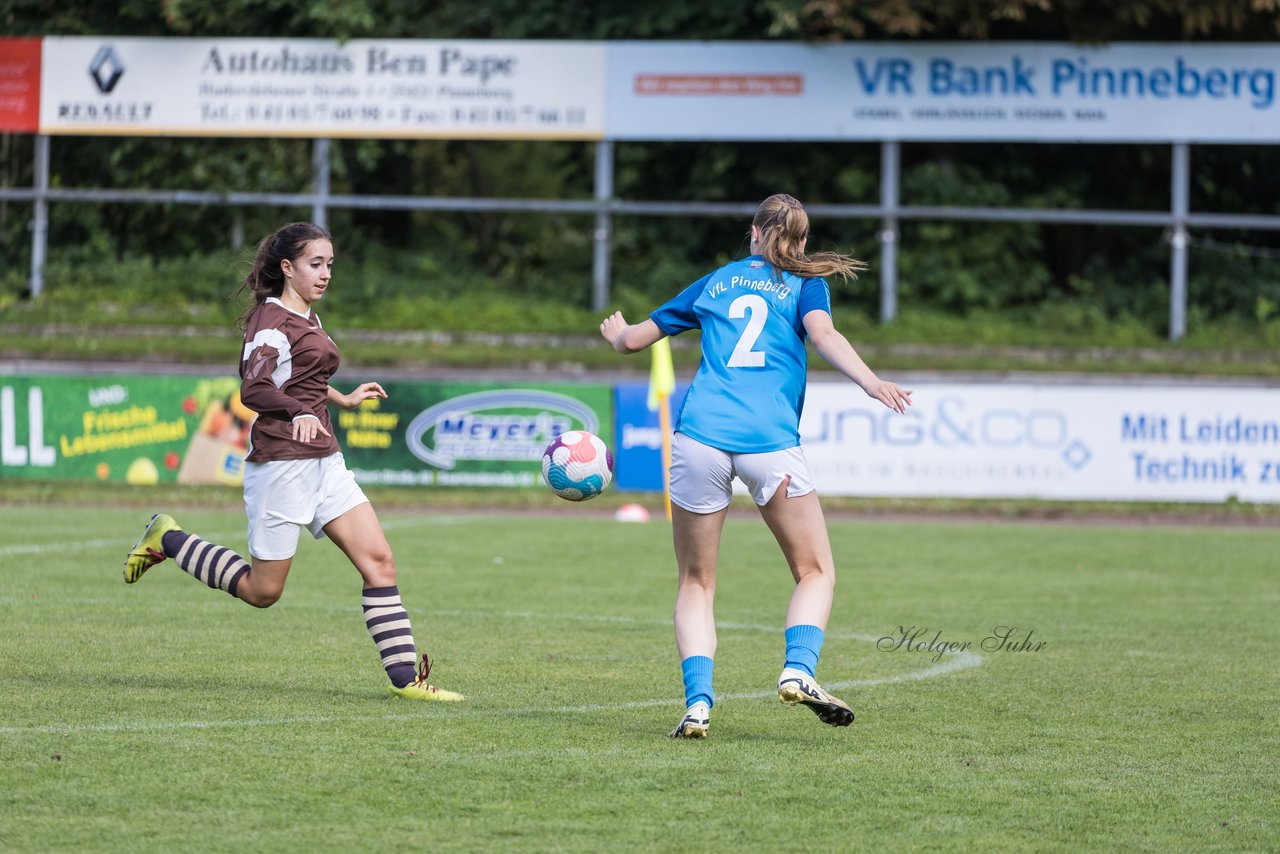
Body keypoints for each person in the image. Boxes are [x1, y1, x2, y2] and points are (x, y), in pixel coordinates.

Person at [600, 193, 912, 738]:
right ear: (801, 240)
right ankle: (798, 669)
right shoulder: (806, 284)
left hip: (699, 438)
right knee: (815, 571)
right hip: (769, 443)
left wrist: (617, 332)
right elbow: (824, 335)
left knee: (696, 581)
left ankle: (697, 705)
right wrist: (871, 381)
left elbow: (633, 341)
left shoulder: (715, 282)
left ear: (752, 233)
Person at [123, 222, 461, 703]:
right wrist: (299, 410)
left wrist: (339, 399)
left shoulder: (307, 318)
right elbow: (255, 388)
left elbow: (300, 375)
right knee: (263, 591)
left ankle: (408, 680)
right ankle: (168, 538)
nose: (325, 274)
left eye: (329, 265)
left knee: (380, 561)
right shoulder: (269, 322)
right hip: (281, 466)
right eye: (315, 264)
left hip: (325, 462)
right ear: (288, 267)